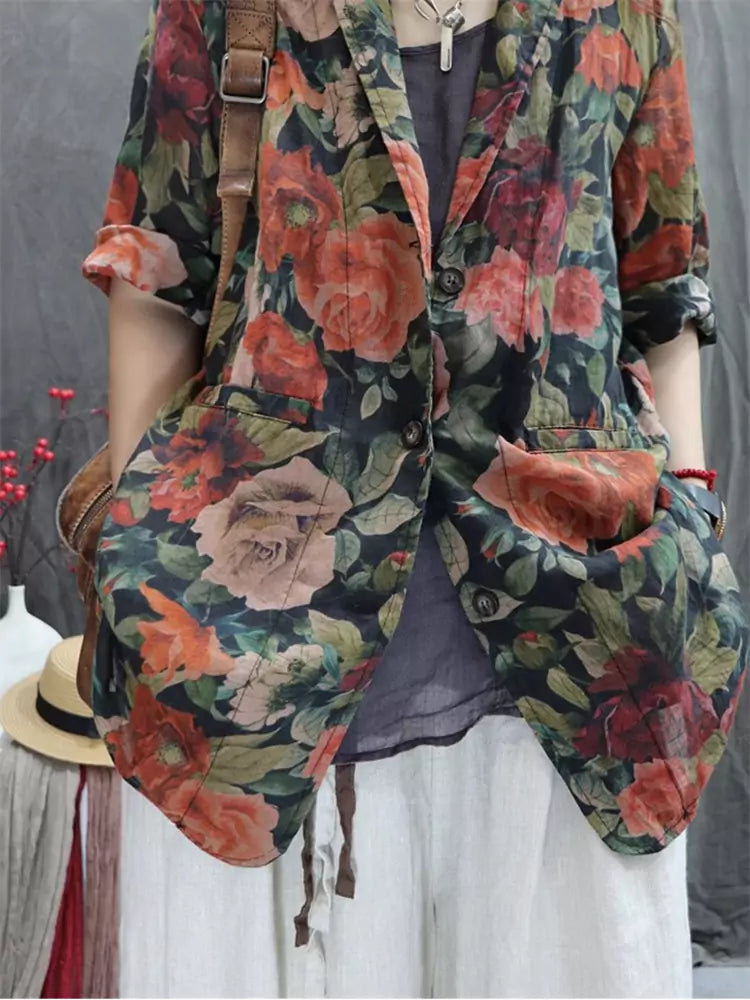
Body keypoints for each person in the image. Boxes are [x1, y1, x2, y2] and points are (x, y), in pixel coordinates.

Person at [80, 0, 747, 996]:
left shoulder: (624, 9)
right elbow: (156, 262)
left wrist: (691, 508)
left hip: (585, 643)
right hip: (260, 654)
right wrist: (132, 554)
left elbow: (665, 279)